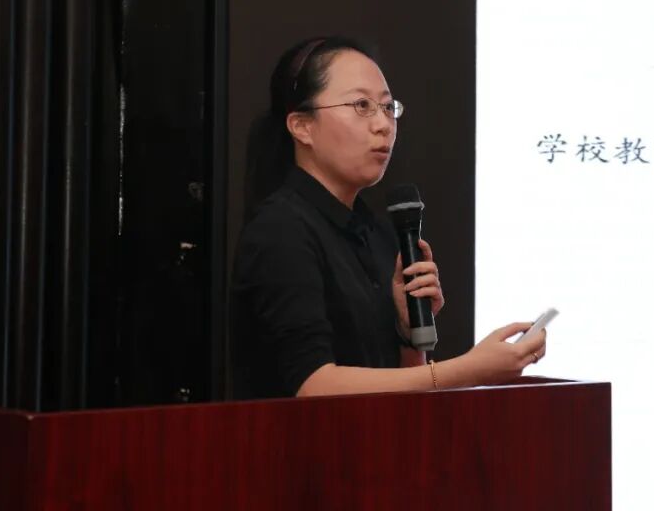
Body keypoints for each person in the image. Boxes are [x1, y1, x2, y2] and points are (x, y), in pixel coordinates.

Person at [231, 36, 546, 398]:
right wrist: (470, 370)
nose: (383, 125)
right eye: (362, 105)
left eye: (387, 107)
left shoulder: (375, 232)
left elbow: (401, 393)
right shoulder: (280, 230)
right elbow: (313, 386)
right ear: (302, 126)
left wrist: (407, 333)